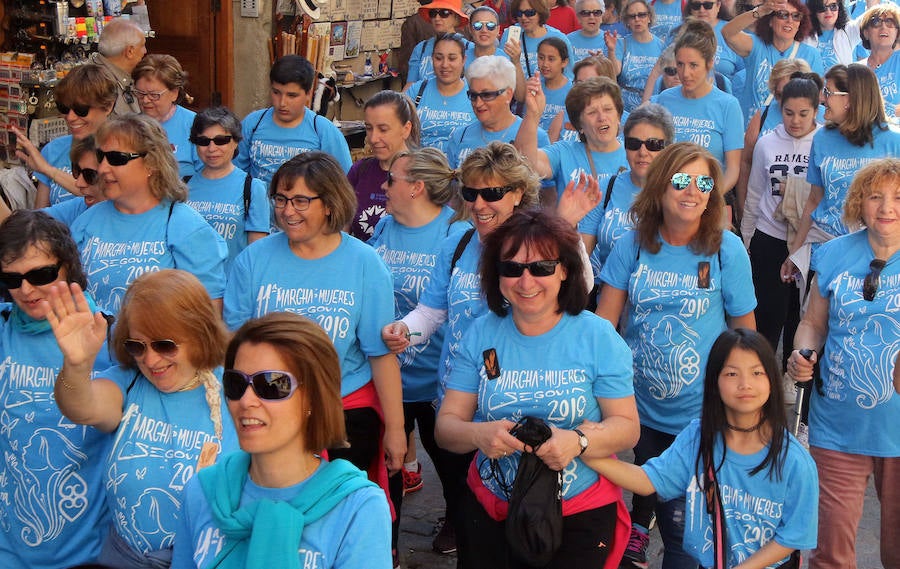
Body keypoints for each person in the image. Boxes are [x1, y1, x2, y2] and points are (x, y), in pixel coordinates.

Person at [382, 142, 598, 559]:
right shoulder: (459, 243)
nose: (479, 204)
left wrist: (564, 229)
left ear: (518, 193)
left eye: (492, 193)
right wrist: (404, 331)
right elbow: (433, 311)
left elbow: (581, 293)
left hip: (516, 410)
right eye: (471, 193)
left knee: (522, 526)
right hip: (461, 408)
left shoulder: (544, 243)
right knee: (472, 521)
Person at [435, 209, 639, 569]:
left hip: (578, 509)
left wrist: (578, 442)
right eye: (511, 268)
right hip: (491, 506)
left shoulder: (597, 336)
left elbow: (626, 427)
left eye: (541, 267)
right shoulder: (480, 333)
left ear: (564, 270)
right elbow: (447, 428)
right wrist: (479, 434)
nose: (525, 281)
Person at [222, 152, 407, 531]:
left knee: (341, 522)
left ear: (330, 204)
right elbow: (233, 349)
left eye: (301, 201)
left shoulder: (365, 263)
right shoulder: (253, 261)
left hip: (345, 415)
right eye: (281, 200)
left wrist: (396, 430)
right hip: (269, 410)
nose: (288, 212)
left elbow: (380, 356)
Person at [597, 142, 757, 569]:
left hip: (700, 415)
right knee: (649, 493)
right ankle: (636, 533)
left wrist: (743, 409)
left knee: (684, 534)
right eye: (681, 180)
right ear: (660, 185)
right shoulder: (632, 245)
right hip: (640, 409)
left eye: (704, 182)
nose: (692, 191)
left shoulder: (726, 249)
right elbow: (603, 327)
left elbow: (746, 337)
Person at [44, 269, 238, 568]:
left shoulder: (237, 392)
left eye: (164, 345)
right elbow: (79, 407)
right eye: (137, 346)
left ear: (199, 334)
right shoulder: (129, 381)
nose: (150, 360)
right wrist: (76, 365)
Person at [171, 312, 392, 569]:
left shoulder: (358, 508)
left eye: (271, 385)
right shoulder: (203, 491)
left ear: (313, 397)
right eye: (235, 383)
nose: (246, 401)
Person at [585, 328, 819, 569]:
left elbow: (793, 536)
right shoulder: (698, 438)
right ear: (714, 382)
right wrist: (585, 452)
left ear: (772, 381)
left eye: (757, 372)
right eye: (731, 373)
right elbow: (648, 480)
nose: (745, 384)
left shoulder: (794, 461)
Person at [788, 158, 900, 569]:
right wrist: (802, 353)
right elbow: (812, 324)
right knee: (829, 554)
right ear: (859, 202)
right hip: (836, 424)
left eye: (898, 197)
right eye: (876, 196)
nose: (887, 207)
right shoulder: (833, 253)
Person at [367, 148, 468, 556]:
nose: (383, 186)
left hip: (436, 379)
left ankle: (459, 523)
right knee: (386, 463)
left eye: (391, 180)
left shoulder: (455, 231)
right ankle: (384, 545)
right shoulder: (385, 226)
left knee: (450, 465)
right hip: (387, 373)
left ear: (417, 187)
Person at [0, 211, 113, 568]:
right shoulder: (4, 328)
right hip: (10, 544)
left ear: (68, 266)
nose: (27, 289)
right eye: (12, 279)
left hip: (88, 549)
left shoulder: (109, 337)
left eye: (41, 275)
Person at [69, 114, 227, 315]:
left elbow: (207, 314)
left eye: (116, 158)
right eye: (101, 157)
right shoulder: (85, 223)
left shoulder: (185, 226)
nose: (102, 168)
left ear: (152, 163)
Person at [783, 63, 900, 277]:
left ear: (851, 99)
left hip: (875, 255)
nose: (822, 98)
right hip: (825, 250)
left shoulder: (894, 142)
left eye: (828, 92)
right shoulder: (822, 138)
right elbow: (814, 200)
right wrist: (795, 250)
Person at [741, 74, 821, 384]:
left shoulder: (825, 141)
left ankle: (795, 386)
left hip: (810, 243)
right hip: (770, 237)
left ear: (816, 110)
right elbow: (755, 194)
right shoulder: (767, 142)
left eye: (803, 113)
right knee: (768, 317)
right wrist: (748, 238)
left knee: (801, 317)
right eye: (789, 112)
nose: (796, 120)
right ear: (779, 108)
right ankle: (763, 383)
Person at [516, 76, 627, 257]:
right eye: (592, 113)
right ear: (579, 125)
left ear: (618, 117)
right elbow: (526, 162)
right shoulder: (565, 151)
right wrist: (532, 115)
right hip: (572, 257)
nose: (601, 117)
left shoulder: (635, 156)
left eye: (608, 109)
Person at [651, 20, 743, 199]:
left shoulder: (728, 105)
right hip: (669, 199)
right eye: (680, 64)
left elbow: (733, 168)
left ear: (709, 64)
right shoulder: (665, 99)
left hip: (708, 200)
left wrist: (709, 198)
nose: (685, 74)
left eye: (693, 65)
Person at [235, 55, 352, 185]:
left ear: (308, 94)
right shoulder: (252, 124)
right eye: (276, 92)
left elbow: (345, 184)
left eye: (292, 95)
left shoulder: (323, 131)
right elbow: (235, 176)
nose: (282, 103)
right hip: (258, 205)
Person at [12, 64, 116, 208]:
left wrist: (48, 170)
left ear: (108, 106)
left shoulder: (123, 151)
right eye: (64, 108)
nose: (71, 117)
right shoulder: (54, 149)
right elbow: (41, 213)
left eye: (81, 109)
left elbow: (112, 199)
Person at [592, 103, 674, 278]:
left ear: (668, 148)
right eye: (634, 143)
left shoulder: (681, 192)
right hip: (605, 290)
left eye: (653, 144)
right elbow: (583, 250)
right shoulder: (606, 187)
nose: (642, 152)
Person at [186, 106, 270, 271]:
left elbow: (257, 253)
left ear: (236, 141)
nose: (212, 148)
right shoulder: (183, 186)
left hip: (231, 288)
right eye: (203, 141)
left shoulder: (252, 188)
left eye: (220, 140)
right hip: (189, 289)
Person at [735, 58, 814, 221]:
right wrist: (743, 208)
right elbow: (745, 163)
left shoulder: (821, 116)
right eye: (779, 94)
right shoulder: (763, 114)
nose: (784, 101)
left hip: (807, 215)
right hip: (765, 214)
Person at [721, 0, 824, 123]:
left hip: (790, 131)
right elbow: (727, 32)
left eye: (796, 16)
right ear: (770, 21)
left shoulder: (811, 54)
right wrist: (761, 10)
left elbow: (815, 98)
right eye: (783, 15)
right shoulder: (756, 46)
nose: (790, 20)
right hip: (753, 129)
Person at [444, 55, 551, 169]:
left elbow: (544, 185)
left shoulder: (535, 136)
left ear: (508, 95)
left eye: (487, 95)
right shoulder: (460, 136)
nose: (478, 103)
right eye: (474, 95)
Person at [348, 91, 421, 240]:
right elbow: (341, 228)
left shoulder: (424, 173)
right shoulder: (360, 171)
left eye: (383, 129)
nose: (373, 138)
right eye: (368, 128)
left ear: (406, 129)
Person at [132, 54, 204, 179]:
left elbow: (206, 175)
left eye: (154, 95)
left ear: (174, 93)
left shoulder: (195, 125)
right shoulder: (128, 127)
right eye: (140, 93)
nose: (145, 100)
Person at [408, 33, 475, 153]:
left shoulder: (476, 94)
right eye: (439, 58)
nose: (445, 65)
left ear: (463, 60)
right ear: (432, 58)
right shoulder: (417, 91)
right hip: (421, 167)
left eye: (452, 58)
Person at [608, 0, 666, 112]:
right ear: (627, 21)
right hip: (625, 107)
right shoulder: (621, 43)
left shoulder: (662, 46)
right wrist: (611, 51)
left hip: (654, 105)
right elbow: (615, 72)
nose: (637, 19)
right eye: (632, 16)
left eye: (642, 15)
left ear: (649, 17)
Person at [548, 54, 619, 142]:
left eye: (590, 83)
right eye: (579, 83)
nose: (583, 89)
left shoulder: (625, 121)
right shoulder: (562, 117)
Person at [500, 0, 577, 81]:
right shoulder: (510, 35)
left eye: (529, 13)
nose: (523, 17)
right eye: (519, 13)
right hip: (517, 92)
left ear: (540, 12)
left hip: (548, 92)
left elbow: (569, 76)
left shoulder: (559, 38)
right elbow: (501, 70)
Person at [39, 135, 106, 226]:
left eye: (90, 175)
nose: (79, 183)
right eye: (77, 171)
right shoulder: (80, 207)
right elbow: (31, 221)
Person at [406, 0, 470, 87]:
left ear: (456, 17)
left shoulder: (470, 48)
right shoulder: (421, 48)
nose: (437, 18)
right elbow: (410, 85)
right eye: (433, 13)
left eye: (444, 13)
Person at [87, 19, 145, 116]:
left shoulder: (120, 77)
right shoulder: (97, 83)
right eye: (143, 46)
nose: (145, 51)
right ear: (130, 51)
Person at [858, 3, 900, 121]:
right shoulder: (855, 71)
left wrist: (882, 112)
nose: (884, 27)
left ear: (897, 32)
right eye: (876, 22)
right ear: (866, 32)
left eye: (890, 22)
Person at [802, 0, 863, 69]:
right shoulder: (803, 34)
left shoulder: (848, 31)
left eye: (833, 6)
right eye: (821, 7)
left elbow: (870, 17)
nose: (828, 12)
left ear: (839, 7)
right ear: (813, 11)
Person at [536, 38, 573, 130]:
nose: (545, 64)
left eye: (551, 59)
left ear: (564, 62)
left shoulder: (573, 91)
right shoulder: (534, 87)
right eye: (541, 58)